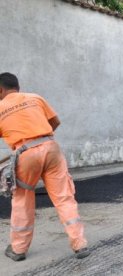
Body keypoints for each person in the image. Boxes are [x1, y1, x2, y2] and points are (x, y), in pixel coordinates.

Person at [0, 72, 89, 261]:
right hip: (51, 149)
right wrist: (40, 139)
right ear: (17, 86)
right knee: (64, 197)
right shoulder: (35, 98)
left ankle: (18, 250)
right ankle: (80, 244)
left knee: (23, 199)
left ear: (0, 90)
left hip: (25, 156)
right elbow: (55, 122)